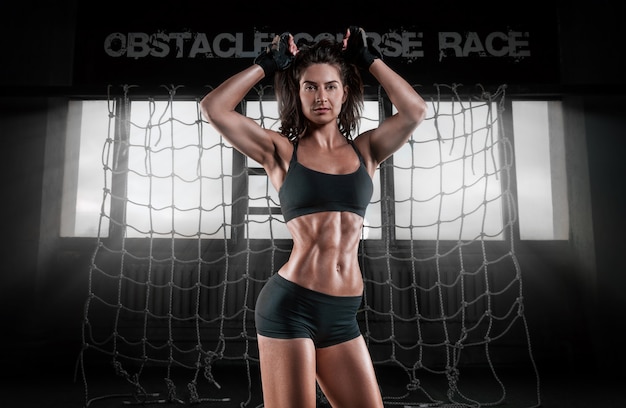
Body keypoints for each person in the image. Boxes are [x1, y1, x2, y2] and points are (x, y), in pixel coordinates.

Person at [200, 26, 427, 408]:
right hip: (291, 307)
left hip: (342, 315)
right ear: (297, 93)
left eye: (330, 86)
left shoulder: (367, 150)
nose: (321, 96)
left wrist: (369, 60)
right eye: (310, 87)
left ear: (345, 92)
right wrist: (267, 65)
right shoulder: (280, 152)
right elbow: (214, 108)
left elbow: (415, 110)